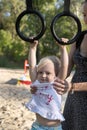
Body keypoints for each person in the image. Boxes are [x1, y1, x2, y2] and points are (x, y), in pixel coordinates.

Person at [54, 1, 87, 130]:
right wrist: (43, 83)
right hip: (73, 99)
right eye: (84, 14)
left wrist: (73, 86)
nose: (85, 19)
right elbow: (66, 69)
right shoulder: (80, 37)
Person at [25, 40, 68, 130]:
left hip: (54, 128)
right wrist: (32, 48)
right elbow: (32, 66)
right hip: (37, 127)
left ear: (55, 74)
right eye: (40, 72)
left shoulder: (56, 84)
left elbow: (64, 66)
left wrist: (63, 49)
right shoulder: (37, 83)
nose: (43, 75)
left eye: (48, 73)